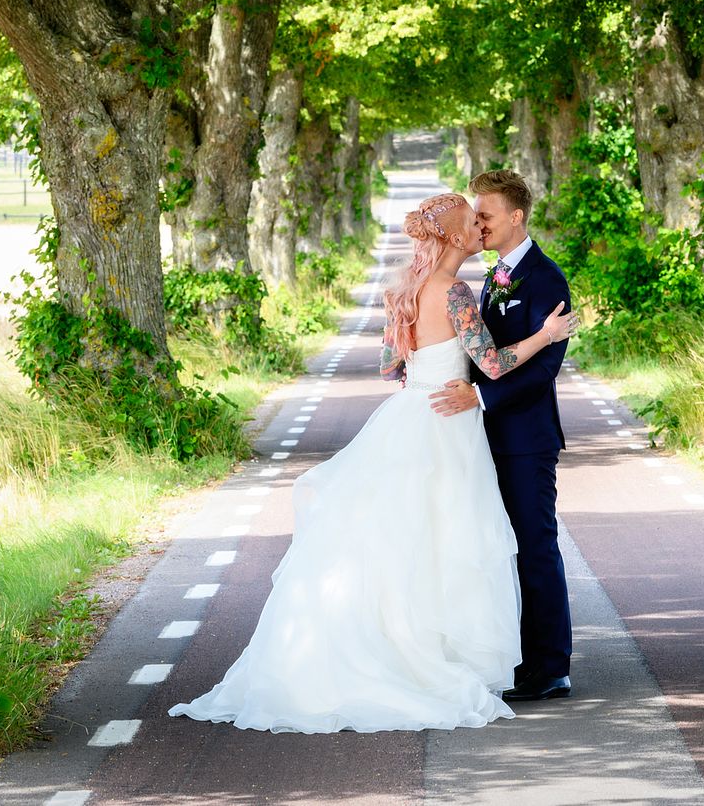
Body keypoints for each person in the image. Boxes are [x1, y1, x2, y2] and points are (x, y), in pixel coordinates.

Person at [168, 192, 577, 733]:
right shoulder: (456, 292)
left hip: (409, 414)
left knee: (405, 541)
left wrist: (426, 366)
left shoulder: (402, 292)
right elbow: (494, 364)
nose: (480, 227)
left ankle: (408, 654)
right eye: (472, 221)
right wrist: (546, 335)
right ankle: (436, 659)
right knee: (448, 540)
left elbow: (390, 367)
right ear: (455, 237)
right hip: (446, 422)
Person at [429, 170, 574, 702]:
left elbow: (545, 368)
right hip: (475, 437)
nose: (479, 223)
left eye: (486, 215)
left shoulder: (546, 279)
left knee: (534, 547)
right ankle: (512, 658)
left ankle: (550, 666)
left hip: (524, 438)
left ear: (516, 216)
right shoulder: (493, 276)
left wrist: (483, 398)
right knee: (491, 549)